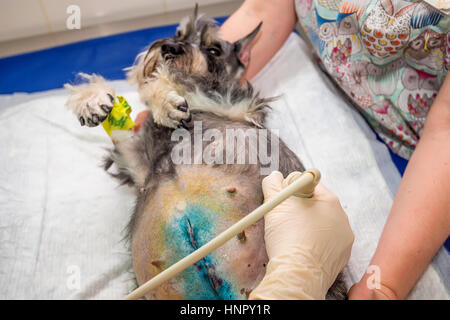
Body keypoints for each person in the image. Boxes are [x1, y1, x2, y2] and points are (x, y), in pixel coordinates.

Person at [219, 0, 450, 299]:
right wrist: (188, 90)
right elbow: (263, 11)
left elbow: (445, 132)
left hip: (422, 164)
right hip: (321, 80)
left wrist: (384, 287)